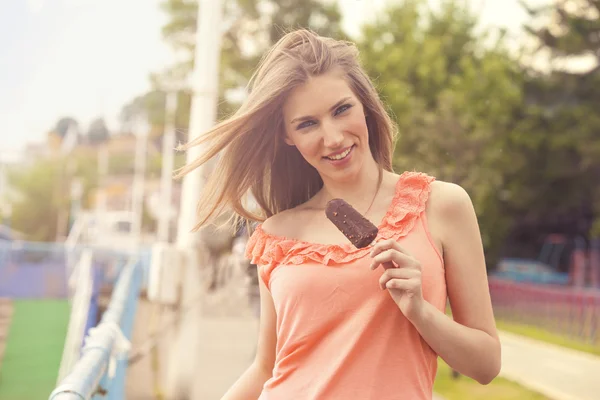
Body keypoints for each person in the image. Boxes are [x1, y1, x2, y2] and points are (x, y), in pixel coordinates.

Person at [176, 29, 501, 400]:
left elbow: (486, 365)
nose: (332, 138)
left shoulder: (442, 206)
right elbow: (266, 368)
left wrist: (421, 311)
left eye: (341, 110)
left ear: (364, 104)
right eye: (307, 124)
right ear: (287, 136)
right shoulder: (277, 234)